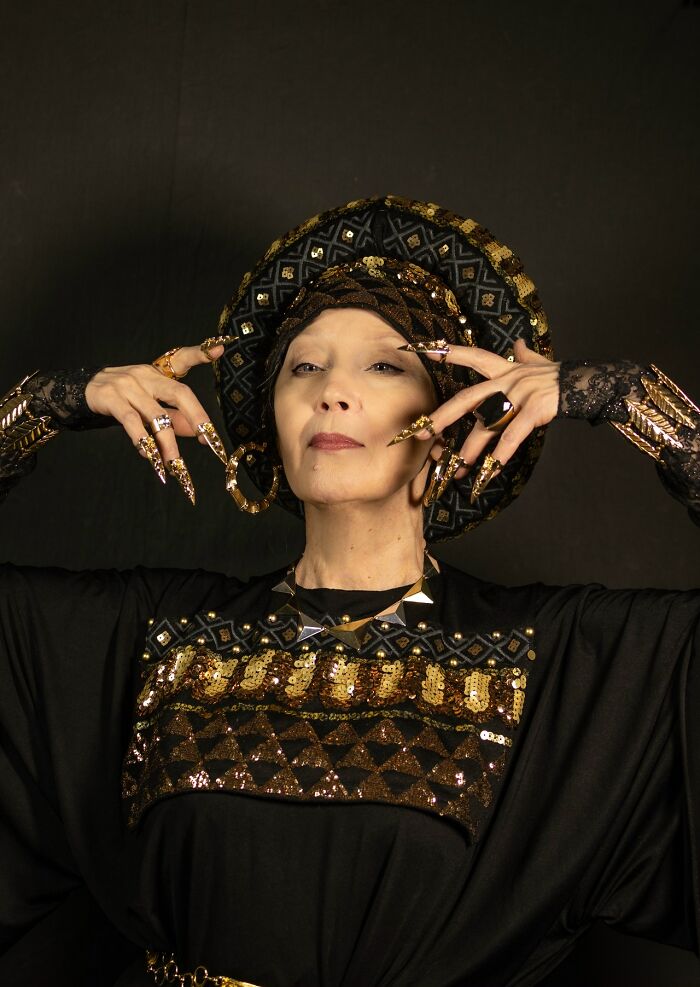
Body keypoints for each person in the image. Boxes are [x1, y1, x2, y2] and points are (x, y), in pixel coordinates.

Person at [0, 195, 698, 987]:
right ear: (270, 415)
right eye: (304, 366)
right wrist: (47, 403)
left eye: (384, 365)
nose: (331, 390)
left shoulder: (552, 660)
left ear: (454, 412)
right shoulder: (158, 632)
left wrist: (633, 398)